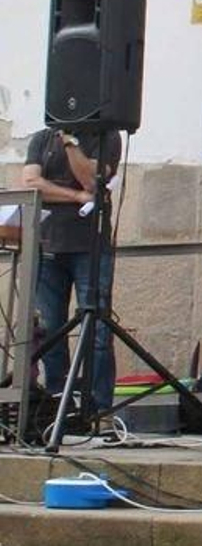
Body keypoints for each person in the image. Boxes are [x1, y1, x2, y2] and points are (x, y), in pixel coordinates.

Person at [22, 125, 122, 413]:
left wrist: (70, 142)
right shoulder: (41, 138)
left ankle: (98, 407)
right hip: (48, 242)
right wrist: (75, 197)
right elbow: (30, 183)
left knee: (97, 326)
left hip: (90, 247)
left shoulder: (106, 136)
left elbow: (91, 181)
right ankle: (58, 401)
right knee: (51, 328)